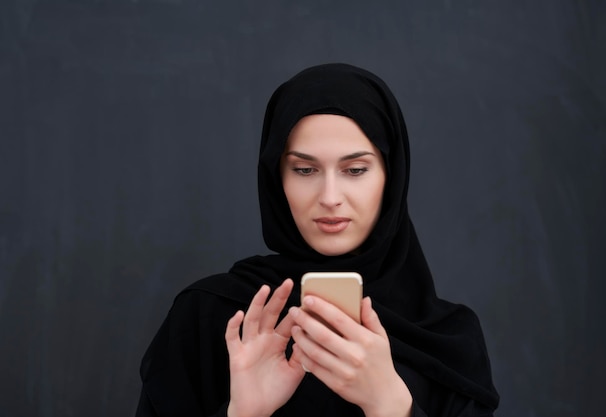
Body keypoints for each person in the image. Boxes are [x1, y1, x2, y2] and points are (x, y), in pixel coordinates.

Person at [135, 63, 499, 417]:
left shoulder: (448, 338)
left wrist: (391, 406)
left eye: (355, 170)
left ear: (392, 176)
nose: (329, 196)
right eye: (304, 169)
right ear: (277, 179)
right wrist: (244, 413)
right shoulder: (211, 315)